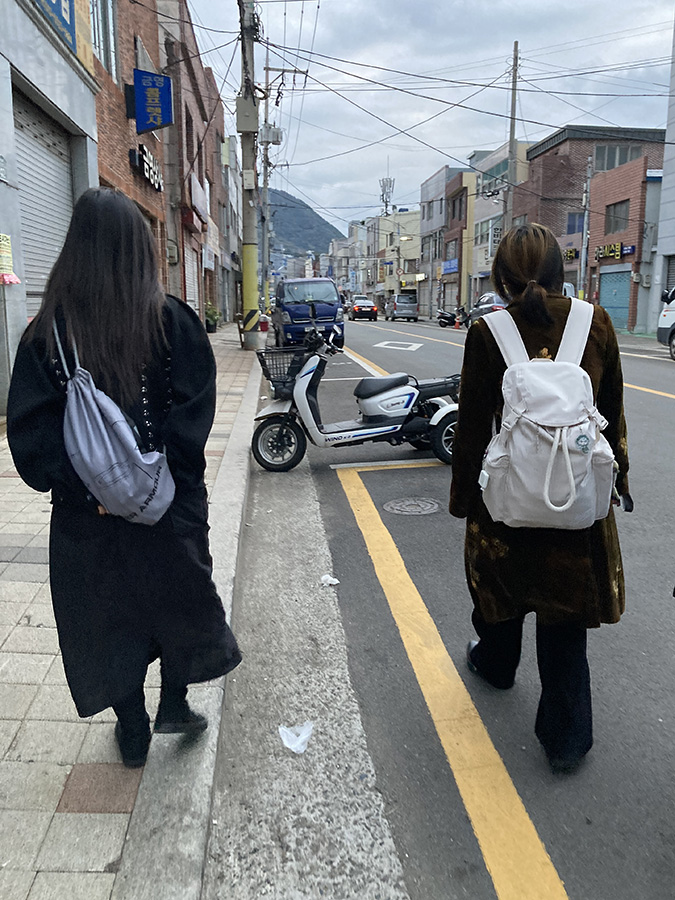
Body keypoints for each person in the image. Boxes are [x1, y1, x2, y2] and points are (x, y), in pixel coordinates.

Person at [7, 188, 242, 768]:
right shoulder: (172, 321)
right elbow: (193, 415)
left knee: (108, 621)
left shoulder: (45, 337)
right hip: (169, 508)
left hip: (87, 522)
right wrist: (163, 484)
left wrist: (91, 492)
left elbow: (32, 445)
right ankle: (175, 704)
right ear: (140, 249)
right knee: (178, 602)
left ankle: (132, 731)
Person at [449, 223, 631, 773]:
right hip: (575, 502)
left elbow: (472, 426)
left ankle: (496, 664)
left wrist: (465, 500)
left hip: (507, 503)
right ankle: (566, 740)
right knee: (565, 620)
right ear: (559, 272)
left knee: (498, 592)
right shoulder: (596, 323)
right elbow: (612, 415)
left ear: (501, 279)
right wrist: (619, 482)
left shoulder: (487, 331)